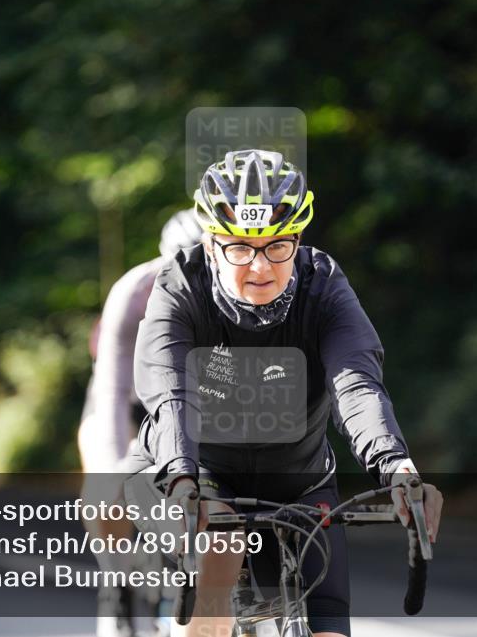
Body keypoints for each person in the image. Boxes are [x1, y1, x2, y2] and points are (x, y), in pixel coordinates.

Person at [128, 150, 444, 637]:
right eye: (238, 247)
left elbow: (356, 386)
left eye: (277, 246)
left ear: (297, 239)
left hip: (301, 482)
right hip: (202, 474)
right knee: (222, 548)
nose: (259, 266)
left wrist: (396, 465)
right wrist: (181, 479)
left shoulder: (325, 287)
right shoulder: (179, 287)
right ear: (211, 244)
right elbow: (171, 395)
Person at [78, 209, 203, 637]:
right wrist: (112, 472)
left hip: (191, 404)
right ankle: (115, 581)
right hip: (127, 404)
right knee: (104, 492)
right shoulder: (132, 293)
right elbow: (111, 391)